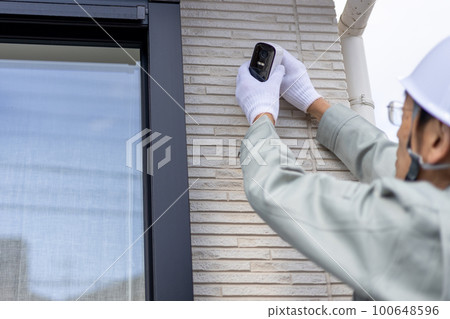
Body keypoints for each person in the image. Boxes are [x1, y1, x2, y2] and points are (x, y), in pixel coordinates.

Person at [235, 37, 450, 301]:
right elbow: (382, 157)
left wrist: (261, 115)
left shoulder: (427, 228)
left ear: (437, 140)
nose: (399, 131)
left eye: (404, 117)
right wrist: (313, 102)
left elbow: (279, 190)